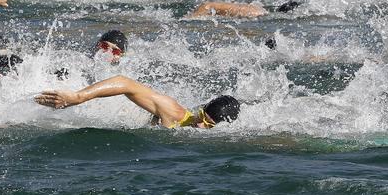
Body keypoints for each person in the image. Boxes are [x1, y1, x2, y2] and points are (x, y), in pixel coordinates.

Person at [35, 75, 240, 129]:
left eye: (209, 125)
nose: (200, 124)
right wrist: (79, 97)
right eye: (203, 117)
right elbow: (124, 82)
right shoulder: (175, 113)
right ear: (201, 109)